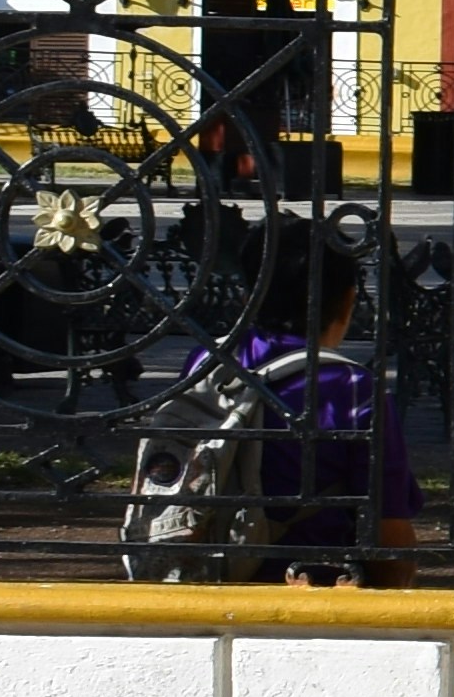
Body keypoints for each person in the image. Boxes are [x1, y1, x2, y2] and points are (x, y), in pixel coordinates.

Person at [135, 216, 420, 587]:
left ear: (246, 296)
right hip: (317, 583)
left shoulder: (206, 363)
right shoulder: (352, 386)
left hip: (207, 576)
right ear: (348, 300)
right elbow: (388, 528)